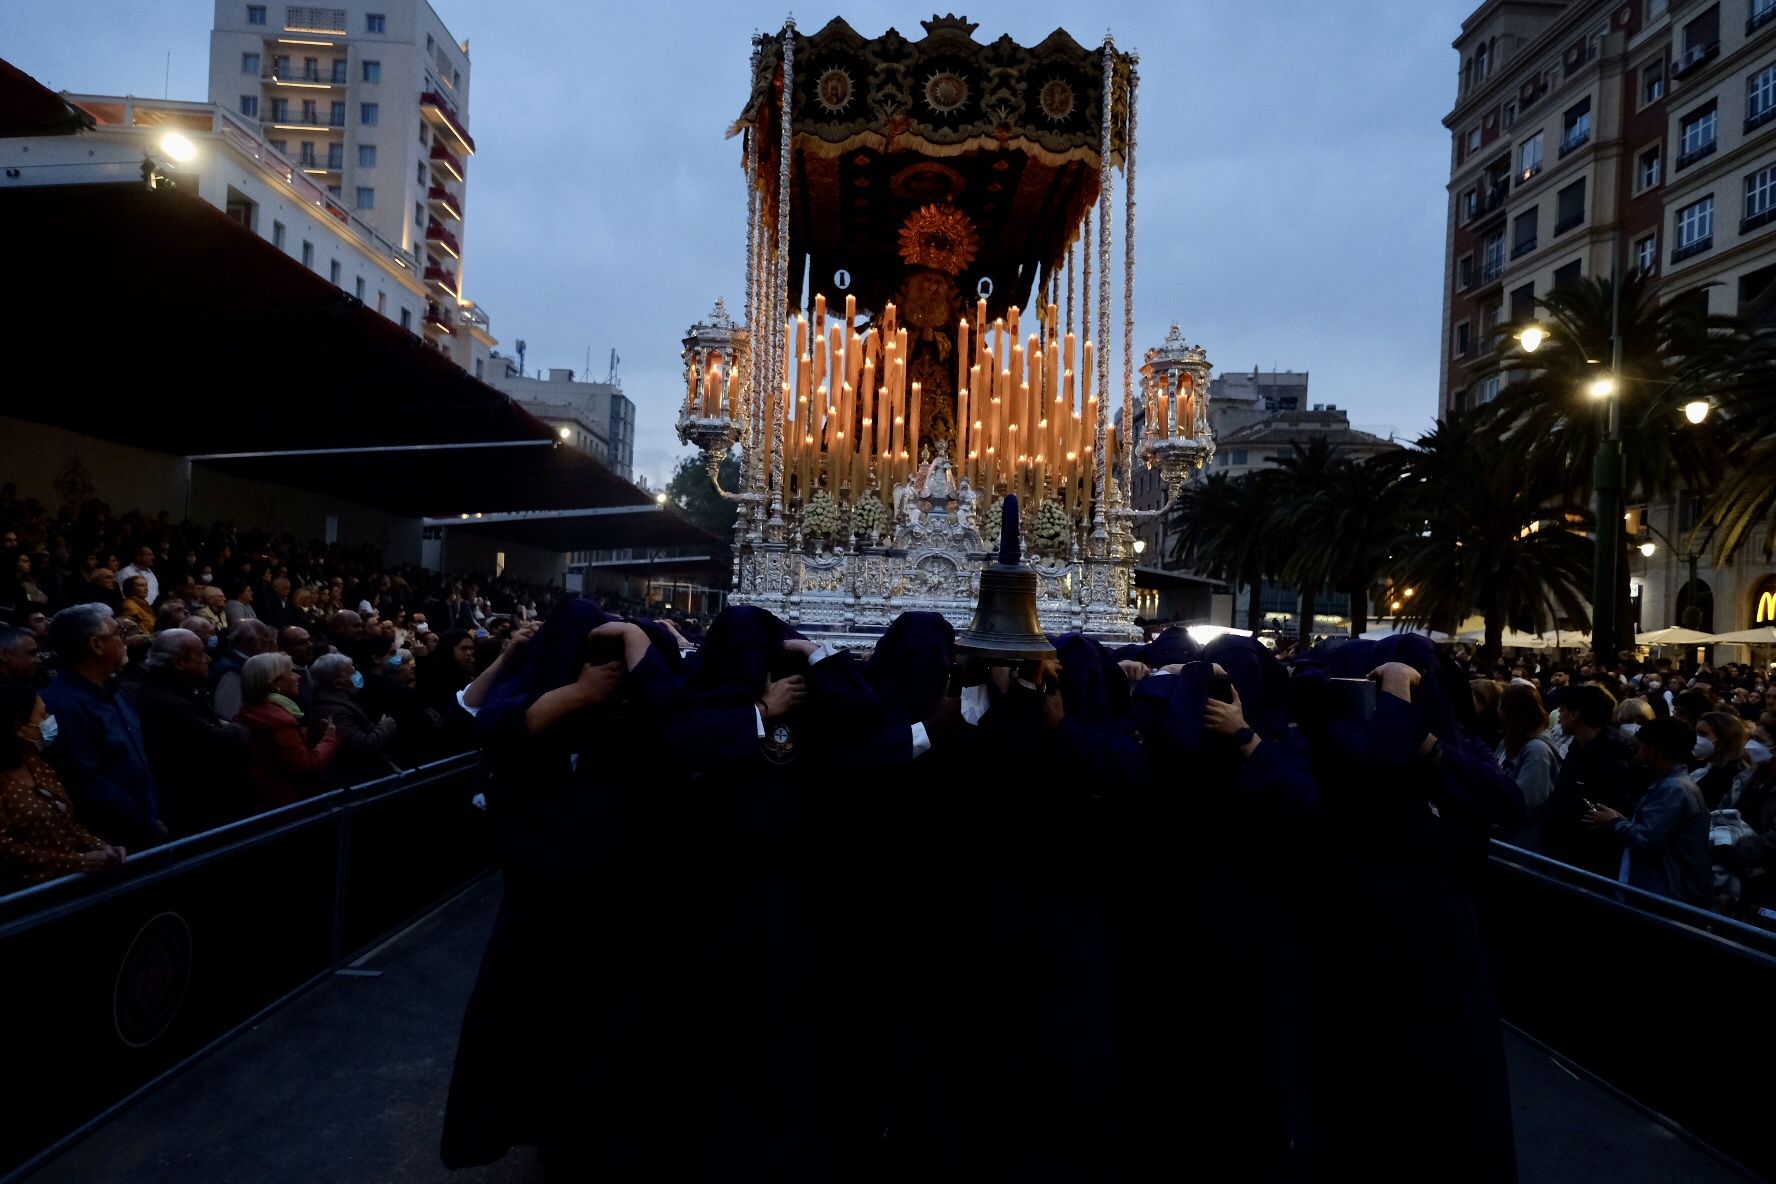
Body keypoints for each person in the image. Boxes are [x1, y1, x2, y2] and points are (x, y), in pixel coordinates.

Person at [443, 600, 679, 1179]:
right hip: (551, 908)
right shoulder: (530, 707)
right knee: (547, 1030)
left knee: (589, 1031)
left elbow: (678, 715)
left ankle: (583, 1134)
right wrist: (567, 689)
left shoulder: (635, 713)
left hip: (602, 909)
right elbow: (480, 716)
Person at [1305, 634, 1524, 1183]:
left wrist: (1430, 748)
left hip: (1444, 937)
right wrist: (1398, 704)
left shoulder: (1455, 745)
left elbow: (1508, 803)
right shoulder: (1339, 739)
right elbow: (1375, 757)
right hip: (1374, 933)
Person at [1121, 637, 1319, 1180]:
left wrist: (1245, 737)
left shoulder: (1281, 741)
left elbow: (1302, 805)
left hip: (1253, 931)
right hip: (1183, 922)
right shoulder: (1169, 736)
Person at [39, 604, 164, 851]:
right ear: (96, 645)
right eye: (119, 633)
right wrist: (145, 823)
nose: (125, 640)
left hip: (146, 826)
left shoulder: (115, 692)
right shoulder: (63, 705)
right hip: (114, 843)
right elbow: (88, 784)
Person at [0, 682, 126, 889]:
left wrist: (103, 848)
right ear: (19, 728)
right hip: (31, 899)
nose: (49, 719)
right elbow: (7, 850)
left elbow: (68, 824)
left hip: (72, 885)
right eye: (42, 715)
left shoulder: (38, 766)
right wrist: (79, 862)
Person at [133, 629, 250, 836]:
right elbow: (220, 742)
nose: (208, 658)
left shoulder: (182, 690)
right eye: (201, 653)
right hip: (197, 803)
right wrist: (239, 728)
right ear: (179, 663)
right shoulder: (169, 703)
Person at [1585, 717, 1710, 906]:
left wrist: (1614, 822)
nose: (1638, 750)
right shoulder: (1669, 784)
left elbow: (1646, 838)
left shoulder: (1674, 789)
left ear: (1654, 750)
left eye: (1642, 745)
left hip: (1664, 894)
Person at [1541, 684, 1641, 877]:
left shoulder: (1612, 757)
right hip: (1563, 852)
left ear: (1575, 714)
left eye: (1562, 709)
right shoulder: (1578, 747)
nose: (1559, 715)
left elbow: (1605, 810)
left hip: (1587, 860)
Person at [237, 651, 338, 811]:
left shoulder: (254, 711)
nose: (297, 677)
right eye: (290, 672)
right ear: (274, 683)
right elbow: (307, 767)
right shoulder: (278, 723)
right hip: (285, 805)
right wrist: (329, 739)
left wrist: (314, 734)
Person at [308, 653, 399, 786]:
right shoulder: (334, 712)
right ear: (338, 683)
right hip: (359, 780)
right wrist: (386, 725)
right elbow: (364, 746)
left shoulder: (342, 700)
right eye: (351, 672)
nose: (357, 674)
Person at [1497, 681, 1560, 847]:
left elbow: (1528, 802)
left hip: (1520, 841)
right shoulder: (1509, 741)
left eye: (1501, 706)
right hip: (1501, 833)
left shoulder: (1536, 750)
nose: (1498, 711)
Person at [211, 618, 277, 721]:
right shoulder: (232, 672)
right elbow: (228, 714)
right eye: (264, 637)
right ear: (252, 642)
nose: (267, 643)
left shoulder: (240, 664)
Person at [1692, 710, 1754, 810]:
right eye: (1696, 732)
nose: (1697, 738)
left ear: (1724, 739)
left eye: (1703, 734)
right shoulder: (1704, 762)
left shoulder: (1732, 773)